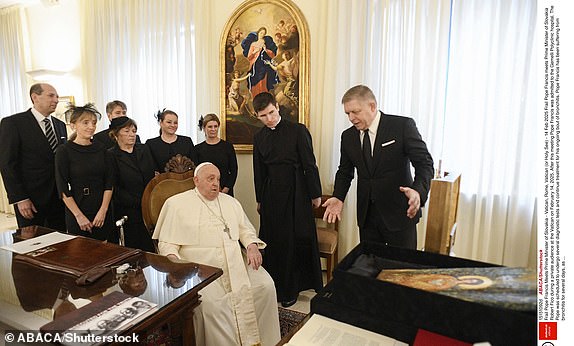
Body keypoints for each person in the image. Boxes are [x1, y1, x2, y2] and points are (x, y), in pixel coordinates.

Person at [152, 162, 280, 346]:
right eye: (210, 179)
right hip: (199, 268)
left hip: (235, 260)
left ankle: (265, 341)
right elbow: (167, 243)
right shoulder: (176, 204)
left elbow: (245, 230)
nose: (216, 184)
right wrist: (175, 263)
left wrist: (251, 246)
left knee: (265, 286)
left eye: (218, 179)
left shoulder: (231, 202)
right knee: (212, 305)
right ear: (196, 180)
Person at [323, 85, 434, 249]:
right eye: (348, 113)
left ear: (372, 106)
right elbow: (345, 171)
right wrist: (338, 197)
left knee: (402, 269)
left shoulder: (401, 126)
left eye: (356, 112)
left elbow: (424, 163)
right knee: (371, 267)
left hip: (399, 214)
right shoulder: (348, 136)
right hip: (367, 217)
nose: (351, 118)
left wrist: (418, 191)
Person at [252, 92, 323, 307]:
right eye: (263, 116)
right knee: (274, 242)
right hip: (271, 193)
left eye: (272, 113)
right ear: (257, 116)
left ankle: (293, 289)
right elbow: (258, 170)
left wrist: (315, 193)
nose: (269, 119)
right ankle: (276, 286)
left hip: (297, 192)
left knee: (294, 240)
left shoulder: (298, 130)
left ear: (277, 108)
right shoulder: (259, 137)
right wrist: (259, 199)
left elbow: (310, 164)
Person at [0, 83, 67, 230]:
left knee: (61, 245)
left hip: (59, 199)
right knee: (33, 246)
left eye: (57, 96)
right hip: (31, 200)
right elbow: (7, 164)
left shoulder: (60, 125)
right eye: (51, 95)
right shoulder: (13, 123)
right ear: (35, 97)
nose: (56, 100)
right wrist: (20, 198)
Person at [55, 103, 116, 241]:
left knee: (104, 252)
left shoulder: (102, 149)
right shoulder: (64, 151)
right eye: (86, 123)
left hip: (101, 207)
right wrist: (79, 216)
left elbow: (109, 183)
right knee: (80, 253)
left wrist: (103, 211)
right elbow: (62, 188)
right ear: (73, 125)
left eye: (94, 123)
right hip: (77, 207)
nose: (91, 127)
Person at [108, 116, 156, 252]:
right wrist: (138, 202)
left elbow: (151, 176)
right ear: (116, 134)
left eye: (134, 131)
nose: (132, 135)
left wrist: (148, 200)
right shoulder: (111, 155)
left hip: (148, 208)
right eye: (127, 131)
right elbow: (114, 186)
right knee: (133, 250)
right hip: (127, 211)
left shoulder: (144, 149)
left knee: (150, 250)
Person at [195, 114, 238, 196]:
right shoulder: (197, 149)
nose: (213, 129)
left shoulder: (227, 146)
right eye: (210, 127)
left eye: (215, 126)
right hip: (205, 191)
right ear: (204, 128)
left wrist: (226, 188)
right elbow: (197, 172)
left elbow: (234, 170)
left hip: (225, 191)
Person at [241, 27, 279, 97]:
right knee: (255, 79)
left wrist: (266, 50)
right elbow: (249, 57)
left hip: (263, 64)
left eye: (264, 34)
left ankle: (264, 95)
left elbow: (272, 55)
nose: (262, 35)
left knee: (264, 79)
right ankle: (256, 95)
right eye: (261, 33)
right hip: (255, 64)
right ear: (258, 33)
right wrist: (254, 52)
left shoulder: (266, 43)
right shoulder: (253, 44)